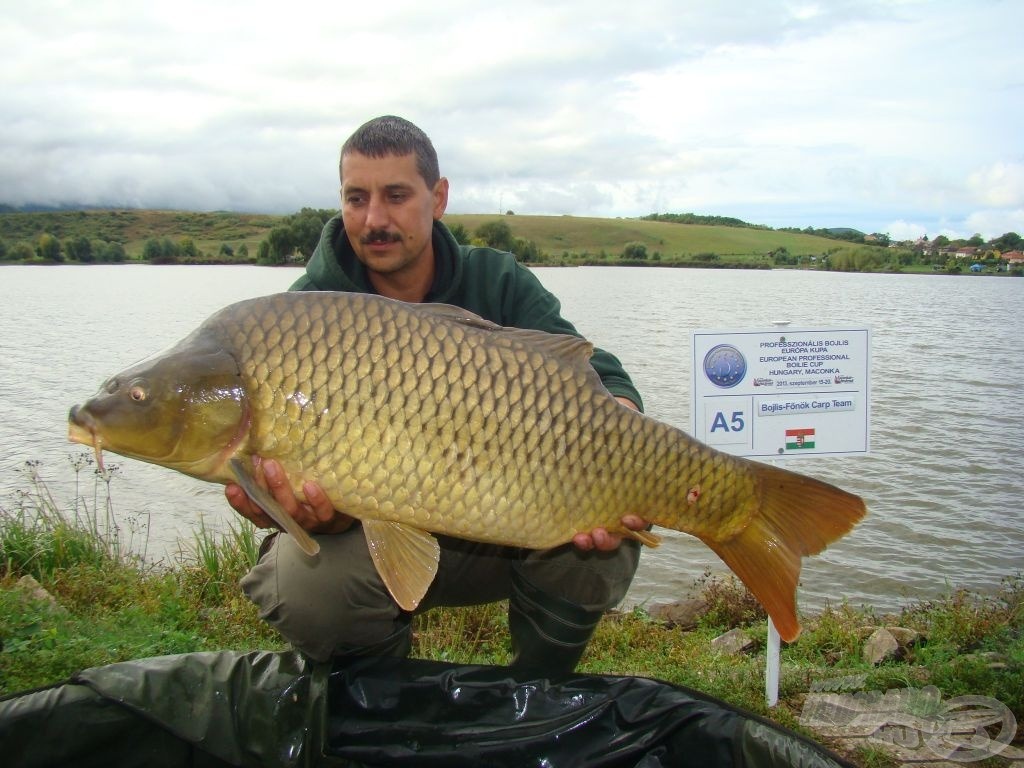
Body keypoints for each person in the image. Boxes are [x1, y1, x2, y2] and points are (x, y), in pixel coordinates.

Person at [227, 115, 649, 679]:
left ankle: (537, 693)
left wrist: (621, 431)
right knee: (303, 587)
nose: (375, 219)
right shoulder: (304, 317)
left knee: (603, 543)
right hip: (373, 537)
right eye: (356, 198)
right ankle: (383, 703)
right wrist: (307, 518)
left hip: (503, 528)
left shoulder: (496, 281)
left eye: (396, 195)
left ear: (438, 197)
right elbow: (302, 503)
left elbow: (600, 374)